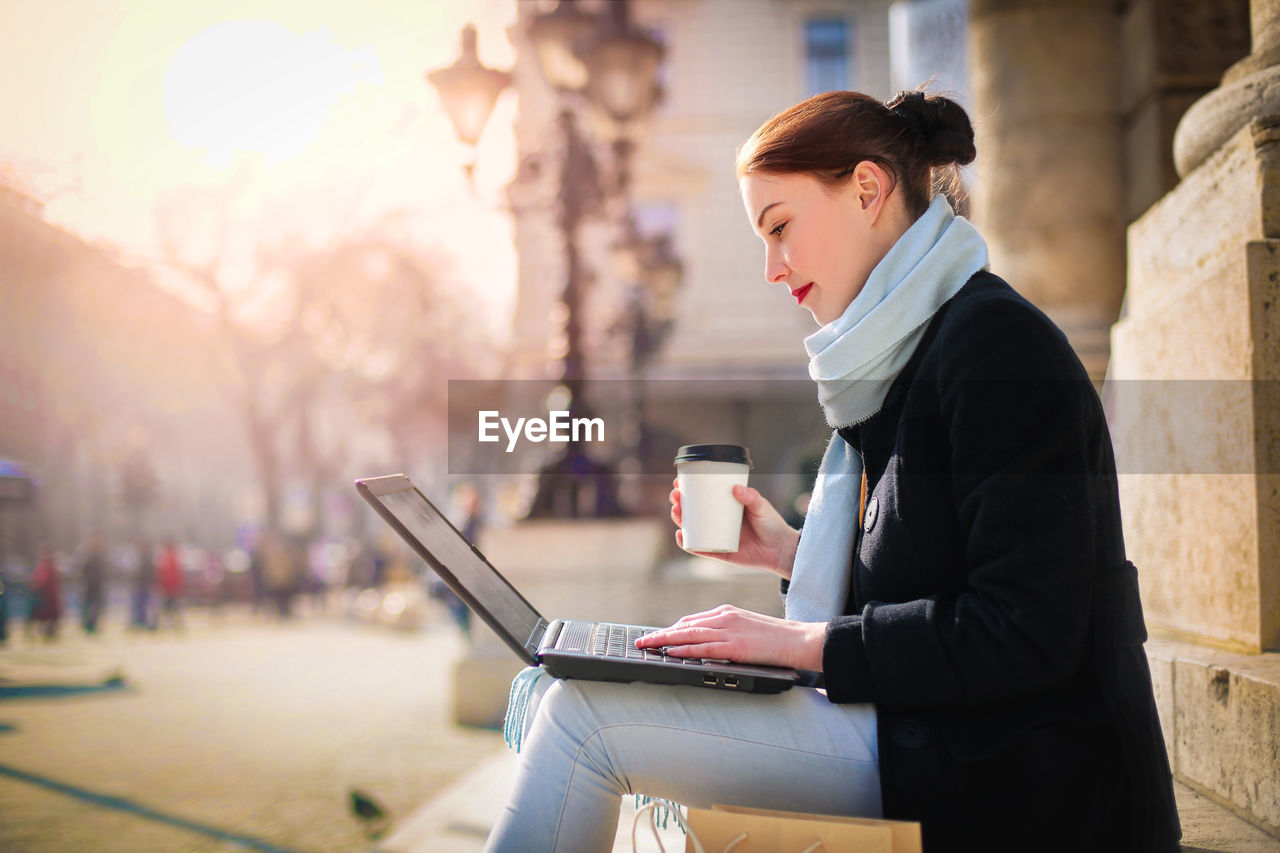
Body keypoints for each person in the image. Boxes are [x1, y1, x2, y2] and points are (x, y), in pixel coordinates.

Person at [485, 89, 1180, 853]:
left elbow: (1023, 630)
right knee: (570, 685)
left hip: (1024, 777)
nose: (772, 269)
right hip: (943, 735)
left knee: (585, 720)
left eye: (779, 227)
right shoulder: (912, 348)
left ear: (868, 190)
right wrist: (787, 551)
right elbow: (934, 570)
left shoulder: (993, 347)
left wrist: (800, 644)